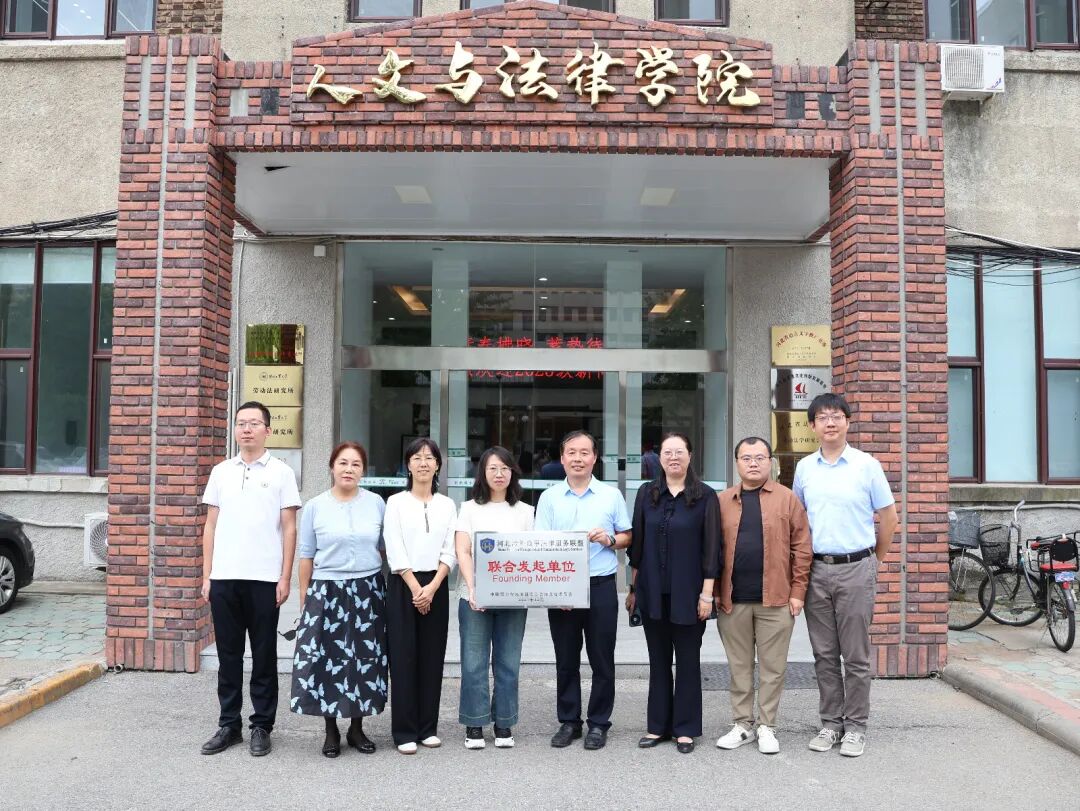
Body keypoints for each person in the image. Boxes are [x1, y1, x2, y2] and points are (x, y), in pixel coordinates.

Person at [793, 393, 897, 758]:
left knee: (855, 655)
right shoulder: (805, 468)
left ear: (847, 422)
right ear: (812, 426)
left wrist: (874, 561)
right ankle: (830, 724)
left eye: (837, 416)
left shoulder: (867, 466)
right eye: (822, 417)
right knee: (823, 653)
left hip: (857, 567)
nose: (830, 423)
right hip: (817, 569)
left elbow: (889, 518)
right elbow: (799, 521)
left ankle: (855, 727)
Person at [199, 401, 301, 757]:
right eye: (241, 423)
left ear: (267, 430)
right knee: (228, 656)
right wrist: (207, 575)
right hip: (224, 578)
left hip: (264, 580)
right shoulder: (221, 471)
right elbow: (210, 526)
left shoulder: (282, 473)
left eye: (254, 423)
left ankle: (261, 726)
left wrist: (284, 577)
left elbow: (290, 529)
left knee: (263, 656)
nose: (246, 429)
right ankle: (229, 724)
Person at [714, 437, 811, 755]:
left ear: (771, 461)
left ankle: (767, 726)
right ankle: (743, 724)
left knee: (773, 668)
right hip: (733, 600)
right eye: (746, 458)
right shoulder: (722, 501)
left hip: (777, 600)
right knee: (739, 667)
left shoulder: (787, 499)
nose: (753, 463)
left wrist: (798, 592)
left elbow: (802, 548)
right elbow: (711, 551)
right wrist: (713, 592)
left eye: (759, 457)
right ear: (737, 463)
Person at [290, 442, 388, 758]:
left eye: (356, 464)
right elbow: (306, 555)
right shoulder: (315, 506)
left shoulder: (376, 503)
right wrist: (305, 598)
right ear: (332, 467)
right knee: (327, 659)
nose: (349, 469)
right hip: (326, 590)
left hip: (367, 589)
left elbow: (384, 548)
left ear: (363, 470)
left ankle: (357, 727)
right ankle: (330, 729)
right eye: (343, 463)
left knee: (365, 658)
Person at [535, 430, 632, 751]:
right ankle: (569, 721)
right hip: (561, 587)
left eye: (584, 452)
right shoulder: (549, 498)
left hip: (600, 585)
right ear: (562, 458)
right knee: (566, 658)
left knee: (602, 658)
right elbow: (540, 545)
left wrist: (609, 539)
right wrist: (556, 590)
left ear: (594, 458)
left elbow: (627, 536)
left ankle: (599, 723)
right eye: (572, 452)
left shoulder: (610, 495)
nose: (578, 458)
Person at [627, 433, 720, 754]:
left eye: (679, 452)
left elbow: (712, 549)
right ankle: (657, 726)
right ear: (660, 457)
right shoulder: (646, 493)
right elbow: (637, 547)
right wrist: (632, 589)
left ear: (690, 456)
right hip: (652, 592)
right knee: (658, 661)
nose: (674, 457)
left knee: (688, 662)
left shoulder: (705, 496)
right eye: (668, 452)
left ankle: (685, 729)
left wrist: (707, 594)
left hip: (690, 594)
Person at [455, 446, 535, 750]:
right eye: (493, 468)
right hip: (474, 598)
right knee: (473, 663)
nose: (499, 474)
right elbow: (463, 550)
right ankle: (474, 723)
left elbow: (532, 555)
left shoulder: (526, 512)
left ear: (513, 472)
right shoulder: (469, 509)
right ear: (483, 473)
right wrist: (473, 588)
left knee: (508, 663)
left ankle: (504, 722)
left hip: (514, 599)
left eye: (505, 468)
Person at [383, 437, 457, 755]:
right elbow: (394, 546)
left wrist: (434, 586)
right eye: (417, 458)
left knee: (431, 656)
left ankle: (428, 727)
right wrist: (416, 589)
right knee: (403, 658)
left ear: (437, 465)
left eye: (429, 457)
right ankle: (404, 731)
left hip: (436, 585)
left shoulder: (447, 505)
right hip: (404, 584)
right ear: (408, 466)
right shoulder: (395, 503)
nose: (423, 463)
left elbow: (450, 549)